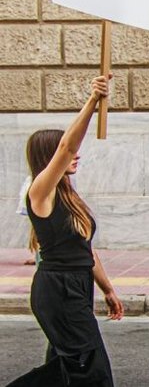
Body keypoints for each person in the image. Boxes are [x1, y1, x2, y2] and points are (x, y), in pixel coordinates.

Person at [10, 75, 124, 386]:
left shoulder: (69, 196)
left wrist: (108, 289)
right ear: (50, 159)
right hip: (58, 290)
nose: (76, 154)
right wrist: (92, 101)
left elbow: (86, 249)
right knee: (93, 373)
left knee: (64, 371)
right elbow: (67, 145)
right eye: (66, 152)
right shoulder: (39, 192)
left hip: (77, 285)